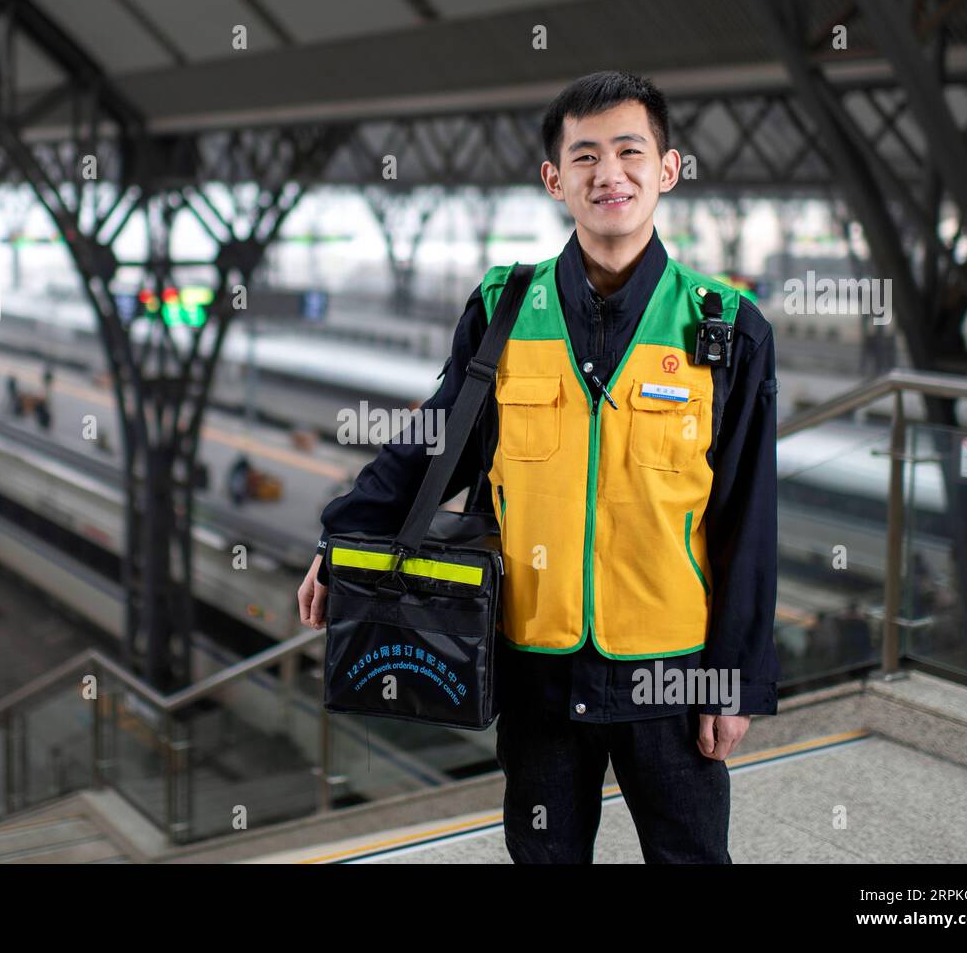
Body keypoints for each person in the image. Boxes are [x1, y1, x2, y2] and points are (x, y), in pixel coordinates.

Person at [297, 71, 780, 864]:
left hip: (670, 672)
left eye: (630, 150)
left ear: (668, 169)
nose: (609, 173)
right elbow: (432, 444)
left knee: (691, 855)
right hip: (536, 668)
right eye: (584, 156)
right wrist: (342, 537)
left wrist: (733, 679)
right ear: (555, 180)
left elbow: (747, 519)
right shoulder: (504, 312)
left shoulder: (725, 326)